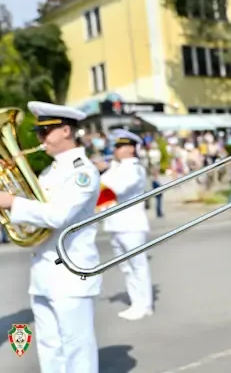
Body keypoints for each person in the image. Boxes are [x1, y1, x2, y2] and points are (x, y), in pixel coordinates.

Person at [0, 102, 101, 373]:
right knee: (49, 346)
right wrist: (6, 179)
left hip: (72, 273)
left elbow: (57, 216)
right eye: (39, 133)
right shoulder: (50, 171)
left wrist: (12, 201)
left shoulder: (82, 172)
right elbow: (35, 211)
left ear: (66, 131)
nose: (40, 139)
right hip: (43, 272)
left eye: (46, 132)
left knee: (77, 349)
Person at [96, 129, 153, 321]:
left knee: (138, 266)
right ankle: (135, 302)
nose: (116, 149)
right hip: (116, 224)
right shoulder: (117, 168)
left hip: (131, 225)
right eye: (116, 146)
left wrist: (104, 172)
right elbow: (102, 189)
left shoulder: (133, 168)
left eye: (120, 146)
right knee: (126, 268)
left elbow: (116, 188)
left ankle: (144, 305)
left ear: (131, 148)